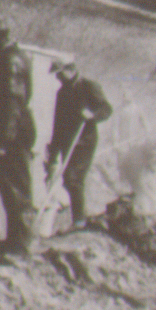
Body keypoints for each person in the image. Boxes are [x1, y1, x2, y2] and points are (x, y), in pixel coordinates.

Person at [0, 16, 36, 253]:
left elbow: (12, 101)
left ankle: (21, 243)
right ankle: (16, 240)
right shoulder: (10, 55)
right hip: (15, 130)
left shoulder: (9, 59)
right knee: (10, 185)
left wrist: (2, 140)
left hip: (13, 132)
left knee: (15, 187)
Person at [45, 59, 114, 231]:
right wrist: (53, 155)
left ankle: (79, 221)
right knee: (69, 180)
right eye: (56, 75)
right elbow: (58, 124)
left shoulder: (88, 86)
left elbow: (106, 109)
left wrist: (92, 115)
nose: (58, 78)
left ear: (71, 70)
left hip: (84, 142)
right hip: (67, 142)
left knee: (73, 178)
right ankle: (80, 215)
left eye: (60, 73)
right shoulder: (62, 93)